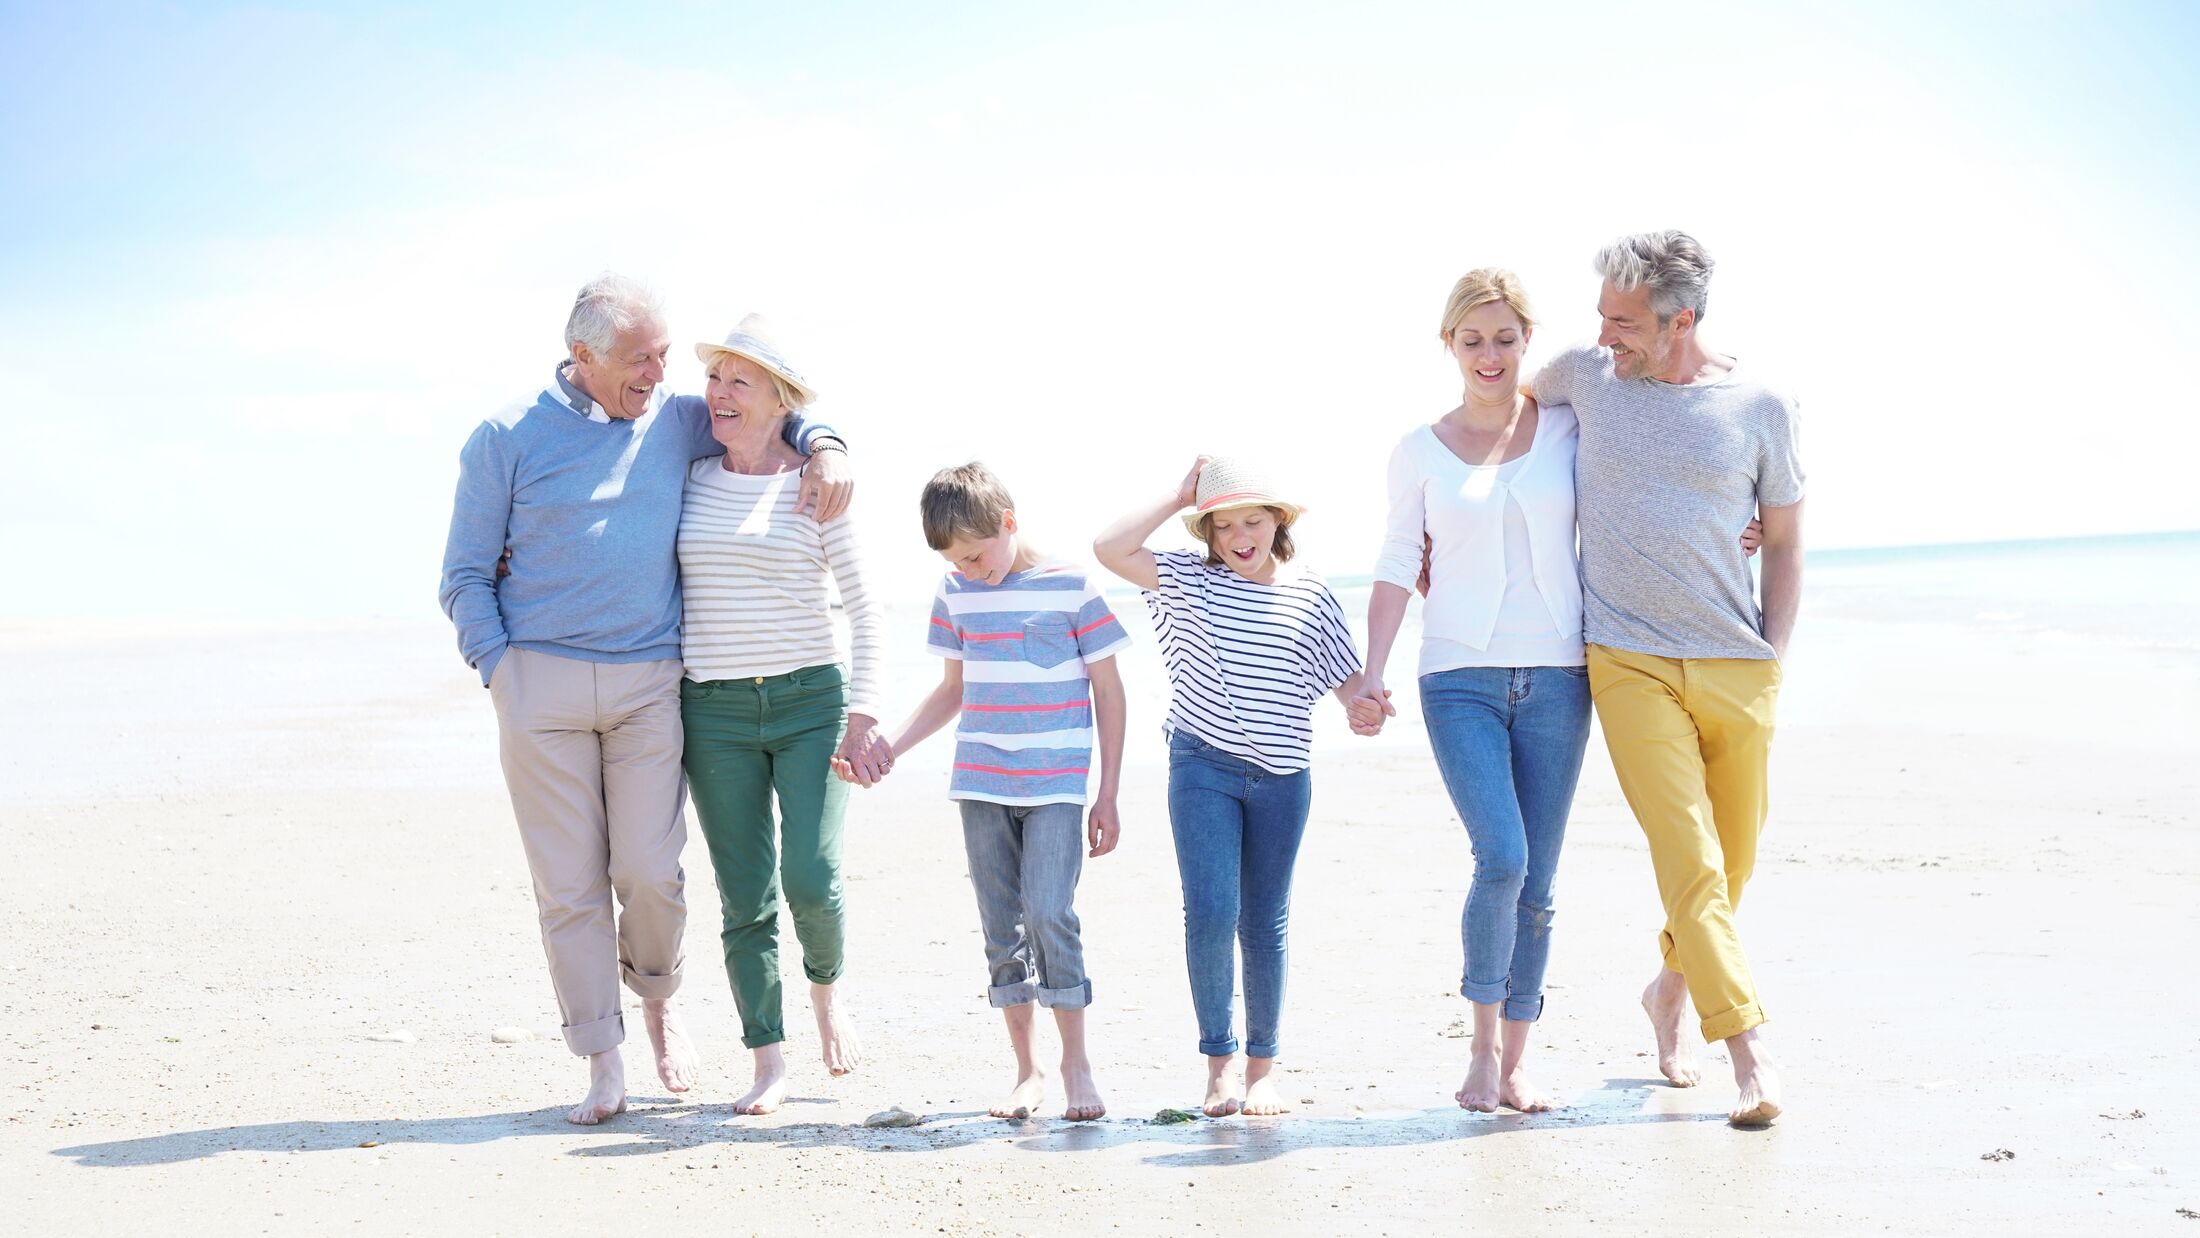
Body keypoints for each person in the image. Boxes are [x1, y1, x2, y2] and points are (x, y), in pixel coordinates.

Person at [438, 276, 849, 1125]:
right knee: (570, 887)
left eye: (666, 356)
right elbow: (465, 576)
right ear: (583, 356)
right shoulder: (504, 437)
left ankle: (659, 1002)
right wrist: (501, 671)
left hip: (651, 681)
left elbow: (774, 413)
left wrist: (830, 443)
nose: (663, 375)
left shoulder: (674, 417)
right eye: (642, 358)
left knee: (650, 874)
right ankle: (602, 1060)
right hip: (538, 684)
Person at [1359, 270, 1764, 1114]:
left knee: (1540, 879)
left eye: (1505, 338)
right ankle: (1475, 1050)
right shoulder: (1418, 450)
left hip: (1561, 673)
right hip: (1457, 673)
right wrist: (1373, 669)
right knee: (1500, 857)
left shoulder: (1570, 427)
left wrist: (1740, 523)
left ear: (1527, 343)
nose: (1490, 355)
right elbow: (1400, 560)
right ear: (1448, 346)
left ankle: (1513, 1063)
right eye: (1472, 340)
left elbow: (1649, 495)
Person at [1531, 230, 1804, 1127]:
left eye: (1624, 321)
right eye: (1601, 316)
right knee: (1689, 861)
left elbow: (1789, 543)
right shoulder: (1585, 373)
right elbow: (1499, 427)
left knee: (1734, 866)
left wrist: (1775, 659)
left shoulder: (1761, 406)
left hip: (1737, 662)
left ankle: (1669, 987)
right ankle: (1750, 1053)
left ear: (1680, 319)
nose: (1604, 335)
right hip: (1627, 656)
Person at [1094, 457, 1379, 1118]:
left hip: (1284, 780)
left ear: (1277, 521)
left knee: (1264, 923)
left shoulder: (1311, 590)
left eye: (1253, 520)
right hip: (1203, 768)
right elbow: (1109, 548)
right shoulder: (1187, 579)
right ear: (1209, 533)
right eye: (1224, 526)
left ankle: (1262, 1073)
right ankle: (1219, 1067)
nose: (1240, 536)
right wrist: (1177, 495)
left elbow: (1344, 678)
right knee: (1212, 910)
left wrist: (1362, 706)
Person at [855, 463, 1129, 1122]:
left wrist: (1108, 792)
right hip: (981, 782)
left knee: (1049, 915)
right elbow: (953, 691)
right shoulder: (956, 592)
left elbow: (1111, 693)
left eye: (978, 555)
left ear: (1009, 522)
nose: (972, 570)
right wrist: (891, 743)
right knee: (1000, 929)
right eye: (958, 561)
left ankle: (1075, 1062)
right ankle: (1027, 1070)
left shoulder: (1072, 587)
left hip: (1056, 785)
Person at [676, 315, 885, 1116]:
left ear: (780, 400)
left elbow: (867, 614)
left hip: (810, 704)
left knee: (812, 878)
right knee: (744, 895)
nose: (719, 395)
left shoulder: (817, 484)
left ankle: (827, 989)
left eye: (740, 381)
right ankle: (767, 1058)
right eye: (715, 379)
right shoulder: (689, 473)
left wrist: (863, 713)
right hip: (714, 710)